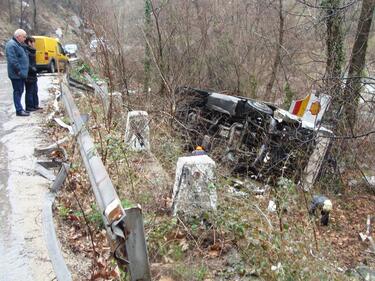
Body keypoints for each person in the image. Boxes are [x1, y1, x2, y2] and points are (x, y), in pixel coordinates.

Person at [5, 29, 29, 116]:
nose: (25, 38)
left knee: (20, 90)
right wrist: (19, 71)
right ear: (18, 36)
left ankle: (20, 108)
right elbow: (13, 60)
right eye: (24, 36)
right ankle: (19, 110)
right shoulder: (11, 45)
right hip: (16, 74)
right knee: (18, 91)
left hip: (20, 74)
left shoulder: (17, 44)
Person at [24, 36, 41, 111]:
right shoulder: (26, 51)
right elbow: (27, 63)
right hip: (29, 74)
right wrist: (33, 69)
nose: (34, 44)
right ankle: (29, 106)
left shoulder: (31, 50)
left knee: (35, 90)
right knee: (29, 91)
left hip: (33, 74)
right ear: (29, 42)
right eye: (33, 42)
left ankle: (35, 105)